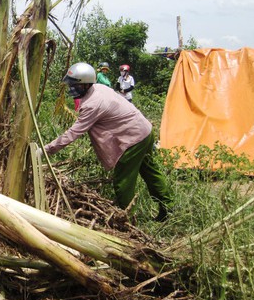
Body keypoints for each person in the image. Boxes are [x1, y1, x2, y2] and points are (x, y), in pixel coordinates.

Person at [40, 63, 172, 221]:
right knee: (150, 172)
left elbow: (73, 133)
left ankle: (128, 219)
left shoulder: (92, 104)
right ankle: (168, 209)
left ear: (86, 84)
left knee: (123, 181)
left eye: (75, 85)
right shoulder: (100, 88)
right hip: (144, 130)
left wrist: (44, 150)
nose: (72, 89)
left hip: (134, 139)